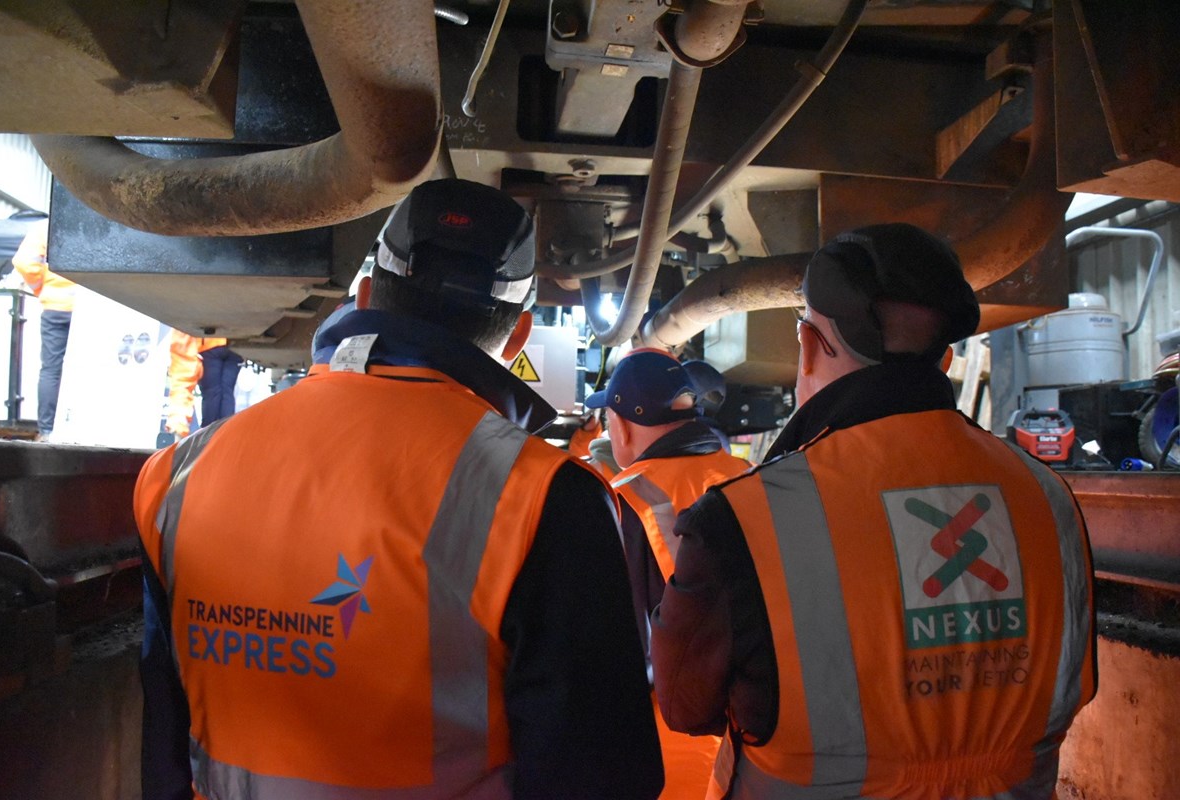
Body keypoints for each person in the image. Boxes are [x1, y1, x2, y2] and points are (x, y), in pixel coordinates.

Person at [134, 178, 663, 800]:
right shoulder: (545, 497)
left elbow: (163, 749)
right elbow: (599, 778)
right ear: (518, 338)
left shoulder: (175, 475)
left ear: (363, 295)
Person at [651, 223, 1096, 799]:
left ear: (809, 346)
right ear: (947, 359)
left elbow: (685, 706)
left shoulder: (742, 520)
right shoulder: (1048, 497)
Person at [585, 348, 751, 800]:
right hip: (754, 739)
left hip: (663, 743)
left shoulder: (617, 502)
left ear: (617, 426)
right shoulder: (752, 478)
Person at [12, 218, 77, 440]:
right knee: (82, 367)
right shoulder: (93, 219)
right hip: (87, 307)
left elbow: (23, 262)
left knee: (51, 369)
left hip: (55, 306)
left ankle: (47, 430)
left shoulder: (46, 226)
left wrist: (42, 288)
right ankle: (77, 424)